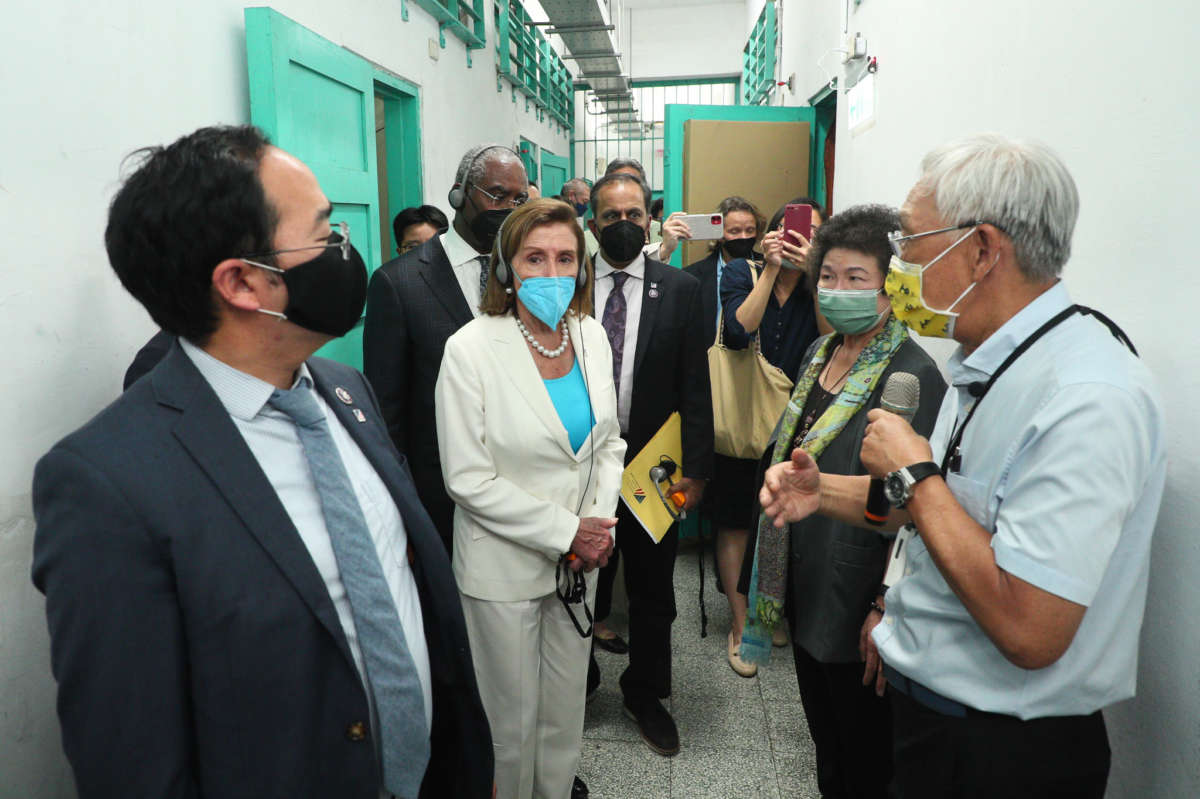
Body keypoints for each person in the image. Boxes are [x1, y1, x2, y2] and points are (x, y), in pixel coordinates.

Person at [31, 125, 493, 798]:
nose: (346, 251)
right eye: (326, 233)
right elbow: (134, 763)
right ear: (245, 282)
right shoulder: (107, 484)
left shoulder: (344, 391)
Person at [759, 134, 1166, 798]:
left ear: (981, 250)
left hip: (1002, 748)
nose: (899, 269)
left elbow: (1031, 627)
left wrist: (917, 475)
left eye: (912, 245)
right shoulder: (986, 362)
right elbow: (936, 510)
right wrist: (820, 490)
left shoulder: (1087, 396)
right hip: (935, 718)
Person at [740, 204, 946, 798]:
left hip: (859, 589)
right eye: (827, 276)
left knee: (864, 756)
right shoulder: (817, 356)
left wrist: (885, 602)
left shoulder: (910, 375)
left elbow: (919, 505)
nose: (836, 290)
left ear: (890, 287)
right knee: (826, 742)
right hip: (805, 573)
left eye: (856, 279)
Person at [436, 198, 625, 799]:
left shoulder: (591, 336)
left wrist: (595, 524)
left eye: (565, 259)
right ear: (504, 268)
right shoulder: (469, 349)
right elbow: (468, 479)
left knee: (564, 712)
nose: (550, 274)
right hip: (504, 567)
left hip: (579, 566)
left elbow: (608, 444)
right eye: (534, 258)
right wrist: (565, 532)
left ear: (583, 267)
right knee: (508, 726)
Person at [586, 171, 713, 756]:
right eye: (610, 216)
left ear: (650, 220)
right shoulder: (570, 283)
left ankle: (646, 692)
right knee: (579, 577)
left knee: (652, 586)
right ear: (593, 222)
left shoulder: (681, 290)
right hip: (580, 463)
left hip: (654, 464)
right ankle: (579, 680)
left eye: (633, 214)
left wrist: (698, 469)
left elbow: (696, 386)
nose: (622, 225)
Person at [364, 143, 529, 549]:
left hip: (525, 488)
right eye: (495, 194)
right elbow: (388, 410)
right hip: (440, 494)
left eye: (518, 199)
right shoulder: (398, 283)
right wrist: (402, 503)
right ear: (459, 194)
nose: (507, 207)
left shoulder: (531, 274)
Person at [710, 197, 822, 677]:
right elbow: (737, 331)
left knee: (781, 520)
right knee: (736, 518)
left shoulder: (823, 282)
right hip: (745, 417)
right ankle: (740, 625)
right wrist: (772, 271)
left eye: (814, 233)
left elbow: (829, 341)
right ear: (772, 233)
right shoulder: (743, 272)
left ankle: (768, 612)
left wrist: (817, 276)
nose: (801, 238)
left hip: (800, 419)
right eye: (793, 229)